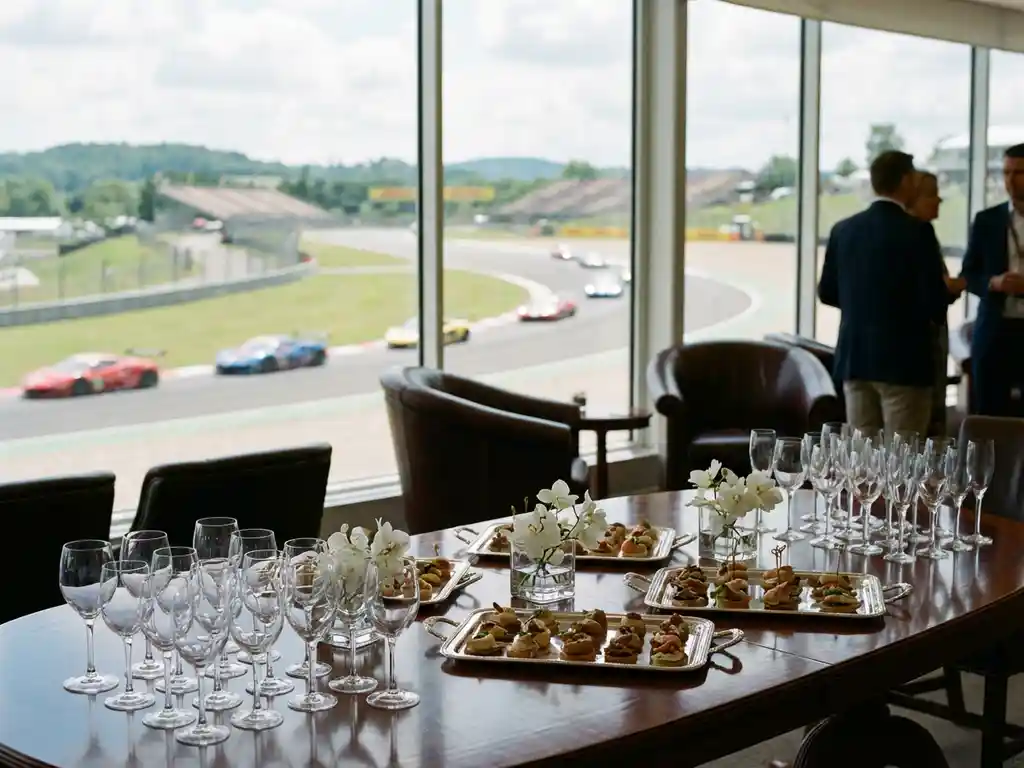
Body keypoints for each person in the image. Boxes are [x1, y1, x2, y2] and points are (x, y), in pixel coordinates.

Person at [818, 150, 950, 436]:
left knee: (862, 453)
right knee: (903, 454)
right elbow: (933, 301)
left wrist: (865, 304)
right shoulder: (918, 232)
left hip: (856, 359)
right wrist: (949, 291)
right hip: (904, 363)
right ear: (904, 180)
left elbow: (827, 292)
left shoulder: (843, 230)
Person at [960, 143, 1024, 417]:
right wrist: (993, 283)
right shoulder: (987, 220)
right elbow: (968, 275)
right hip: (996, 331)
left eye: (1019, 173)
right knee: (989, 416)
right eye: (1006, 172)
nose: (1010, 180)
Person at [906, 170, 966, 434]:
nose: (939, 200)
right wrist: (950, 288)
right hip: (919, 353)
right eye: (931, 194)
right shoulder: (919, 235)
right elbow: (928, 295)